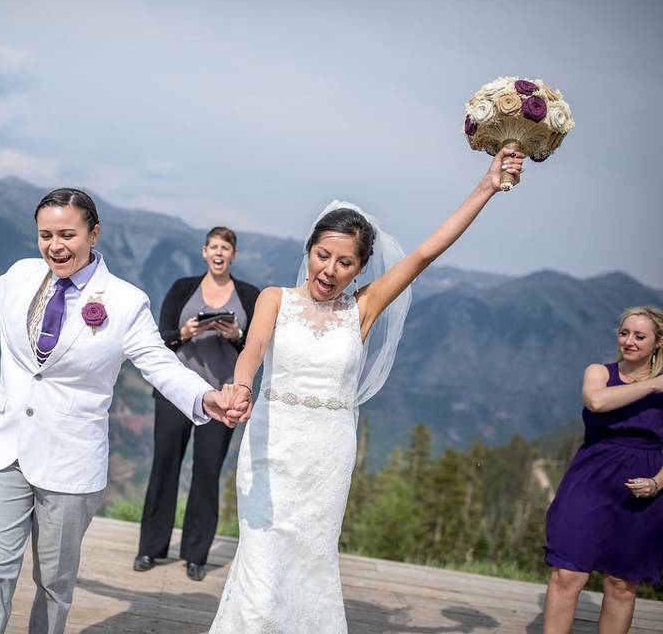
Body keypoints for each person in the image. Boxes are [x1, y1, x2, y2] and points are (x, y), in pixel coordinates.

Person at [0, 188, 243, 634]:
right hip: (4, 452)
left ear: (93, 233)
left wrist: (206, 396)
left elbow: (160, 365)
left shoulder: (124, 301)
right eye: (45, 235)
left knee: (55, 583)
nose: (55, 246)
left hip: (70, 463)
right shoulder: (21, 276)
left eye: (67, 234)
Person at [210, 148, 525, 633]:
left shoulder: (363, 310)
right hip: (270, 446)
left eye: (345, 262)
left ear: (360, 269)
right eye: (323, 255)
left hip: (326, 456)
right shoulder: (275, 299)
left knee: (311, 562)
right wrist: (240, 391)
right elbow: (250, 356)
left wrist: (487, 185)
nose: (330, 270)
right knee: (261, 560)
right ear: (308, 251)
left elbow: (424, 253)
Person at [135, 227, 260, 581]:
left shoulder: (249, 295)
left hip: (222, 397)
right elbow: (159, 340)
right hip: (176, 393)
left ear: (233, 255)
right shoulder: (181, 288)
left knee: (206, 473)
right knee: (164, 466)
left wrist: (236, 336)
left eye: (226, 248)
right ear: (204, 252)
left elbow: (255, 348)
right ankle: (150, 548)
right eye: (214, 247)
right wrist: (185, 333)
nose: (219, 253)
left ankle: (196, 554)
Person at [542, 306, 663, 634]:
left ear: (658, 343)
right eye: (625, 333)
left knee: (622, 584)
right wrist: (654, 386)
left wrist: (656, 483)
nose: (629, 341)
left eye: (640, 336)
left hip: (643, 487)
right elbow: (596, 402)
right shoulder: (599, 372)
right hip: (590, 480)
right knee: (567, 573)